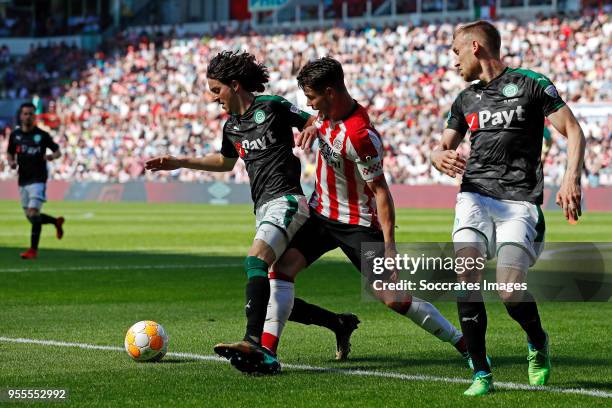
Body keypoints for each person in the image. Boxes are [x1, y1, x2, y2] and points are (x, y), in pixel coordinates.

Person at [224, 56, 469, 374]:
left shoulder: (360, 135)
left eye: (312, 98)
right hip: (320, 213)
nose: (310, 106)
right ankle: (267, 352)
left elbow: (381, 192)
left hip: (357, 224)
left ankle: (463, 343)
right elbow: (314, 123)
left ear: (329, 92)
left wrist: (390, 247)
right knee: (279, 271)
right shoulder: (323, 114)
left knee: (393, 299)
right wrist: (311, 127)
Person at [145, 51, 359, 373]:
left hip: (287, 201)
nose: (213, 97)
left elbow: (315, 117)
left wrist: (313, 127)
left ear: (234, 85)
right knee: (273, 288)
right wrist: (178, 162)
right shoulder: (232, 127)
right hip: (264, 208)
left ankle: (253, 341)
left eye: (216, 90)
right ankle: (338, 323)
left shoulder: (271, 106)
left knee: (254, 261)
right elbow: (225, 163)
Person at [430, 20, 585, 396]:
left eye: (455, 50)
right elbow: (443, 144)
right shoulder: (465, 99)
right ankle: (481, 373)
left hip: (519, 201)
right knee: (466, 276)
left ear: (476, 47)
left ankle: (537, 340)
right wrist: (438, 156)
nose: (453, 61)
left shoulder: (532, 83)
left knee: (509, 289)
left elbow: (574, 131)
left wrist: (571, 179)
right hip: (474, 196)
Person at [7, 102, 65, 259]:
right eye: (25, 114)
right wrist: (11, 162)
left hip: (38, 179)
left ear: (35, 116)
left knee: (33, 212)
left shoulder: (42, 135)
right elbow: (10, 153)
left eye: (31, 114)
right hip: (23, 180)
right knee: (31, 217)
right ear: (21, 116)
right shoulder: (15, 135)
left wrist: (51, 156)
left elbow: (58, 151)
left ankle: (33, 250)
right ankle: (55, 222)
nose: (28, 116)